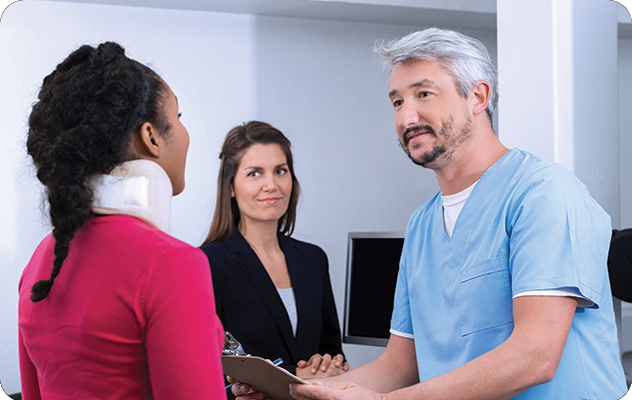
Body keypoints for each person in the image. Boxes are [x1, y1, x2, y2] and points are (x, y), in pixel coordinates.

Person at [235, 28, 628, 400]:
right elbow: (399, 366)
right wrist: (292, 392)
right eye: (397, 101)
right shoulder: (423, 224)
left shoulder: (543, 195)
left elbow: (535, 357)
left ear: (478, 97)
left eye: (424, 94)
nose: (407, 117)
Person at [18, 42, 226, 399]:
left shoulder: (41, 263)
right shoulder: (172, 265)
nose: (184, 131)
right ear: (150, 138)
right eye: (179, 117)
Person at [200, 121, 349, 387]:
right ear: (230, 187)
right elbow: (205, 368)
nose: (271, 185)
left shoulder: (313, 259)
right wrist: (296, 374)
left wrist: (327, 365)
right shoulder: (208, 263)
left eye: (280, 171)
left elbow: (333, 354)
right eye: (254, 174)